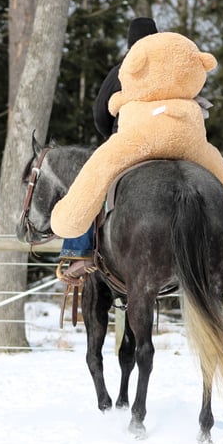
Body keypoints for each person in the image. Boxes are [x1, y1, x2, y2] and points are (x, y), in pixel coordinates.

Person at [57, 17, 158, 283]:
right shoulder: (169, 70)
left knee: (90, 182)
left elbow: (100, 113)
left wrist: (109, 136)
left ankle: (79, 252)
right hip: (171, 143)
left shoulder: (122, 71)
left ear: (129, 43)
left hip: (129, 143)